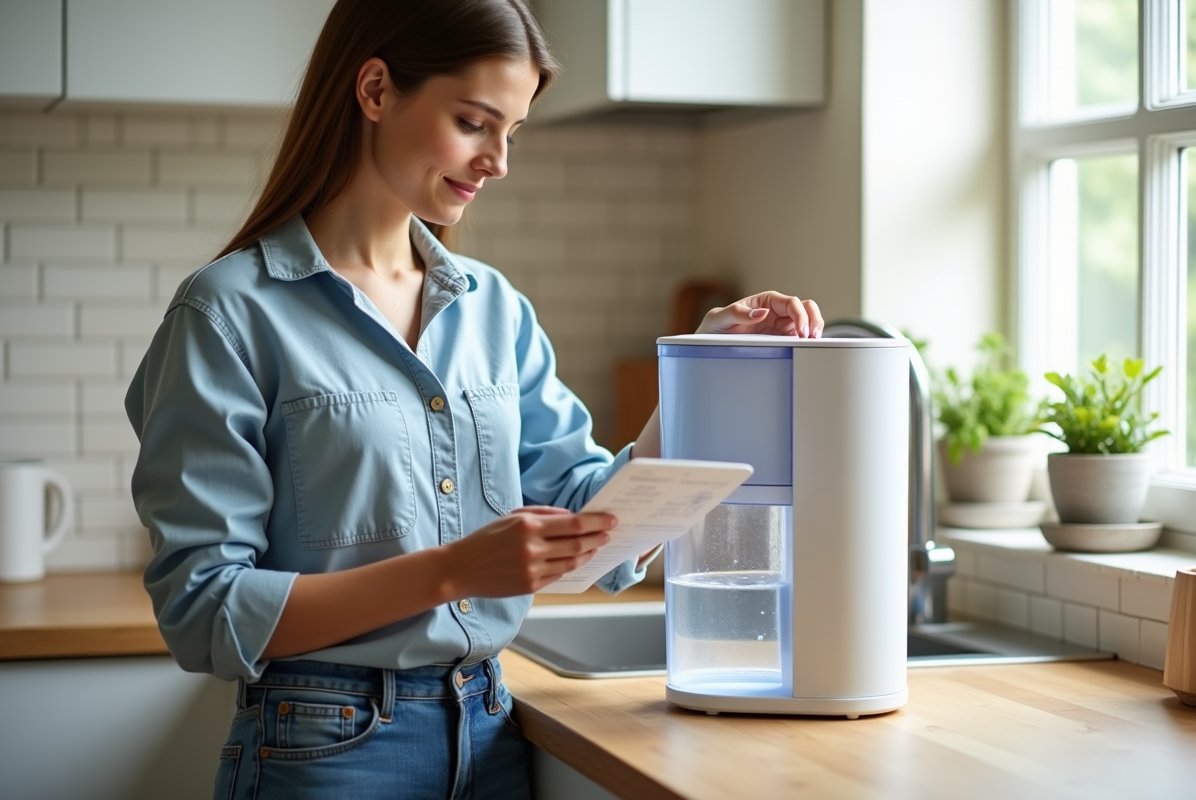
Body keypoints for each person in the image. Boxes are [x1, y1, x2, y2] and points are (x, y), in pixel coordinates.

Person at [124, 1, 824, 798]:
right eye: (474, 122)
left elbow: (592, 520)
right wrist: (452, 572)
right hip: (325, 750)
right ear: (377, 89)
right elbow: (205, 610)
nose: (497, 161)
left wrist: (702, 369)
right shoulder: (227, 313)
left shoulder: (494, 308)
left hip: (490, 731)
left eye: (512, 133)